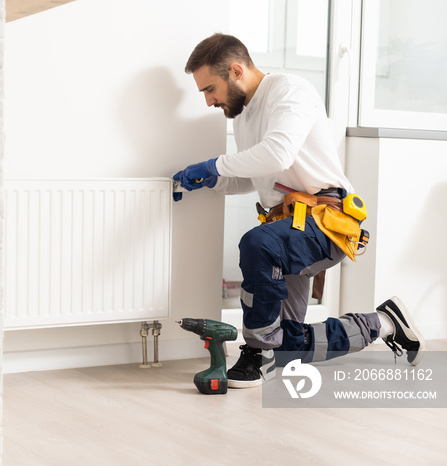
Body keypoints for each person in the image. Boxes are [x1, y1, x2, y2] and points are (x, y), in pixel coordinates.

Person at [173, 33, 424, 388]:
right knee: (288, 344)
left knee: (256, 245)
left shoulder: (290, 92)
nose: (208, 100)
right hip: (287, 230)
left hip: (325, 222)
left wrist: (215, 164)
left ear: (235, 70)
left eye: (209, 89)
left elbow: (277, 154)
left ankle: (258, 353)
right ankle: (383, 322)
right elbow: (258, 175)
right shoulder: (242, 116)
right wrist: (208, 180)